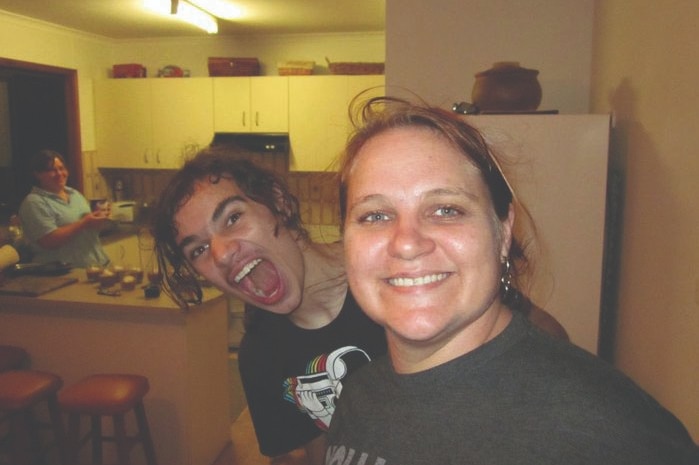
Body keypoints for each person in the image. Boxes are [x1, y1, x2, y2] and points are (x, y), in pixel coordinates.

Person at [325, 97, 699, 465]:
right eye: (374, 215)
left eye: (446, 209)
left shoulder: (599, 428)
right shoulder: (357, 395)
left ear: (502, 233)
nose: (406, 242)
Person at [152, 149, 387, 465]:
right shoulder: (261, 357)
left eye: (233, 218)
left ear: (279, 204)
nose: (220, 254)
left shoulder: (389, 278)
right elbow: (319, 448)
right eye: (199, 250)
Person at [18, 149, 110, 267]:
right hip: (66, 272)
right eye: (51, 170)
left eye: (62, 168)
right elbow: (49, 241)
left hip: (96, 264)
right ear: (37, 174)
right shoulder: (34, 202)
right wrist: (84, 222)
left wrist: (99, 219)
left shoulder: (75, 194)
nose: (59, 173)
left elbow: (90, 231)